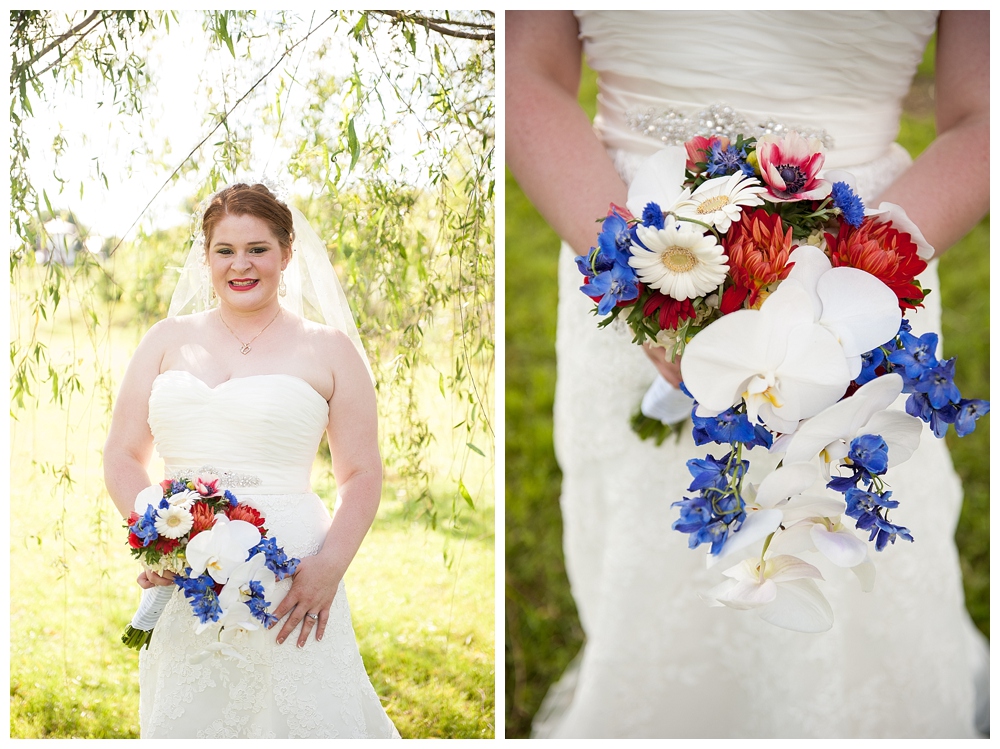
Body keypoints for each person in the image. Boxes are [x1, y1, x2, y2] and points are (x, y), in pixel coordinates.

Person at [507, 10, 988, 738]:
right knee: (649, 545)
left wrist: (848, 274)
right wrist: (640, 279)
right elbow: (523, 70)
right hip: (639, 237)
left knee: (839, 531)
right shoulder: (636, 265)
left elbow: (985, 111)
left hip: (868, 254)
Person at [103, 183, 400, 738]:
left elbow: (361, 474)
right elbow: (122, 454)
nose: (241, 265)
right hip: (189, 573)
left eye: (258, 249)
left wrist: (329, 568)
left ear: (287, 253)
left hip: (295, 574)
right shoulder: (165, 341)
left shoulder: (329, 349)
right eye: (225, 250)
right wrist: (158, 538)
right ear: (206, 256)